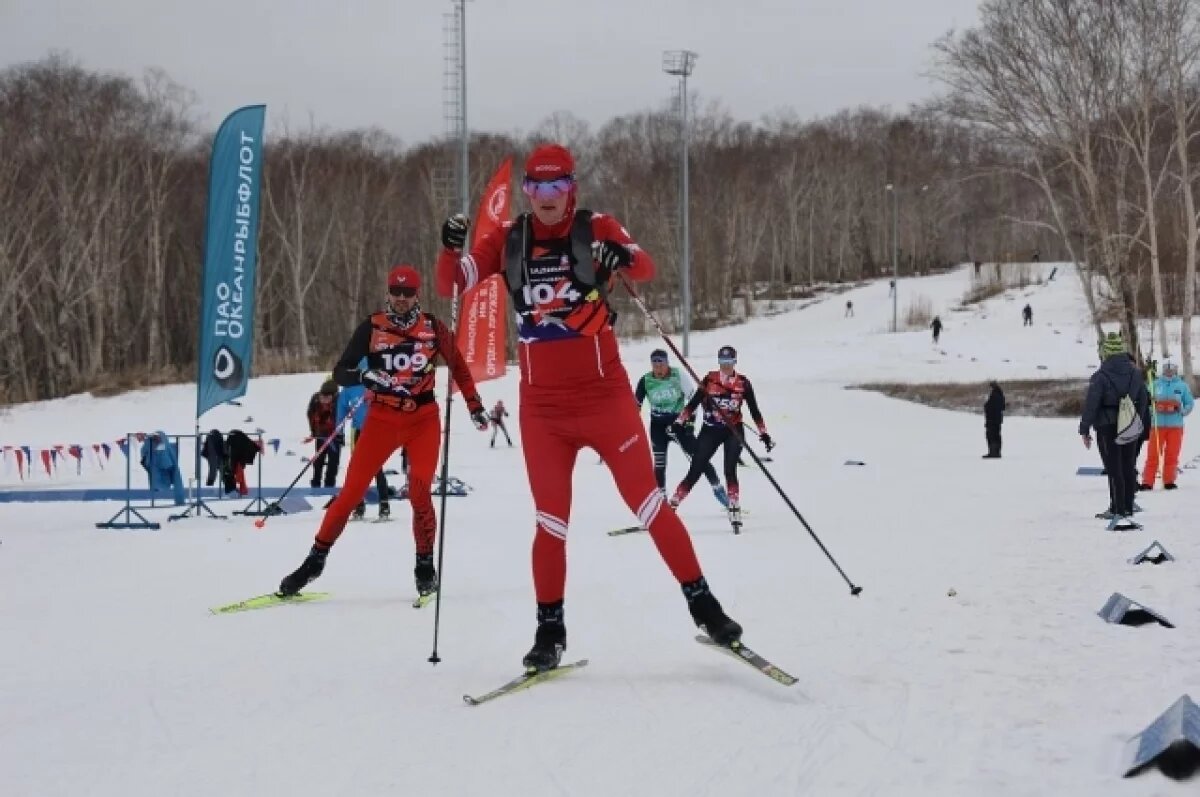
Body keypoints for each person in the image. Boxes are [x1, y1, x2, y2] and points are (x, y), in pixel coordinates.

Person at [435, 142, 743, 672]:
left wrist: (617, 257)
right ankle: (549, 631)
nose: (547, 198)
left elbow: (644, 267)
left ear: (571, 187)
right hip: (544, 411)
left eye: (557, 187)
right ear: (527, 192)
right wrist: (450, 248)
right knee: (550, 521)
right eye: (536, 188)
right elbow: (450, 284)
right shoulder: (509, 240)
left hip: (604, 400)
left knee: (648, 503)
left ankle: (705, 608)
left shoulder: (595, 226)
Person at [278, 265, 490, 599]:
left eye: (408, 293)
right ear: (389, 292)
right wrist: (364, 377)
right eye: (396, 292)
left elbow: (460, 369)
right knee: (350, 494)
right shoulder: (373, 327)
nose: (402, 299)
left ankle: (424, 564)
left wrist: (474, 405)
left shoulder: (434, 328)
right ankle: (314, 561)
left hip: (423, 419)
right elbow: (341, 371)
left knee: (419, 488)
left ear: (417, 294)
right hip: (381, 419)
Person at [669, 345, 775, 512]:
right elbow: (693, 403)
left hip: (733, 431)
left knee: (729, 468)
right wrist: (679, 422)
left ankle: (733, 502)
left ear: (735, 361)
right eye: (722, 361)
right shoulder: (709, 380)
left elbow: (754, 410)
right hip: (710, 430)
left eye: (729, 361)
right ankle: (675, 501)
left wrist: (764, 433)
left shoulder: (743, 383)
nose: (726, 365)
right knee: (696, 467)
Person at [635, 349, 728, 508]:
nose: (658, 368)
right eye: (655, 364)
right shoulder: (645, 381)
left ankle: (719, 490)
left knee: (700, 458)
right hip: (658, 427)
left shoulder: (677, 376)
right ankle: (661, 501)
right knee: (659, 464)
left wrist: (689, 424)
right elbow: (635, 406)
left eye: (661, 364)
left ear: (667, 363)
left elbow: (694, 399)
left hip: (679, 424)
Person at [1079, 332, 1150, 522]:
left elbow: (1092, 404)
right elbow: (1144, 399)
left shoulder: (1100, 376)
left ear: (1105, 353)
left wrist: (1084, 429)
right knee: (1128, 466)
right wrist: (1138, 419)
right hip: (1130, 424)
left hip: (1106, 426)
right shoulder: (1135, 373)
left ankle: (1117, 508)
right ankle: (1127, 506)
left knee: (1113, 468)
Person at [337, 358, 392, 520]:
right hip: (358, 432)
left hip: (376, 431)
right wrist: (338, 431)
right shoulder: (349, 388)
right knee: (356, 469)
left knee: (376, 468)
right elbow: (341, 408)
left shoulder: (379, 385)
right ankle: (359, 506)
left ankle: (384, 505)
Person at [1141, 356, 1194, 490]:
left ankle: (1169, 480)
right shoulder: (1155, 385)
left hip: (1175, 426)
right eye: (1166, 369)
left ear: (1176, 370)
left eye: (1172, 369)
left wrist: (1180, 410)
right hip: (1157, 426)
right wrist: (1153, 409)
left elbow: (1189, 403)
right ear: (1162, 370)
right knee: (1153, 454)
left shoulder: (1182, 386)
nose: (1169, 372)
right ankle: (1147, 481)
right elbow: (1146, 402)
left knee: (1172, 454)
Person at [306, 380, 342, 488]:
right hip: (334, 435)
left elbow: (310, 414)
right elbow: (340, 415)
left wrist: (313, 431)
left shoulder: (316, 398)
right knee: (332, 462)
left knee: (319, 460)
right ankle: (329, 484)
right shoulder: (338, 399)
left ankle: (316, 482)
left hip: (321, 434)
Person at [139, 430, 185, 505]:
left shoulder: (165, 447)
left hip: (163, 470)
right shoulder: (151, 445)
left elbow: (166, 464)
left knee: (174, 478)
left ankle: (179, 500)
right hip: (159, 470)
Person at [983, 381, 1005, 459]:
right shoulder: (1000, 394)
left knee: (992, 435)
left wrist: (986, 407)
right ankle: (996, 452)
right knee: (996, 435)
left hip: (993, 419)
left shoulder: (995, 395)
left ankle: (993, 452)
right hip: (996, 419)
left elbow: (993, 407)